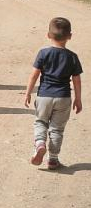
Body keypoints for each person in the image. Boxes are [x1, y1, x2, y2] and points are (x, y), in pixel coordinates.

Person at [23, 17, 83, 170]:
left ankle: (40, 143)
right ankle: (53, 159)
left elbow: (34, 75)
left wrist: (28, 93)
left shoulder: (43, 53)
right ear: (70, 36)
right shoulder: (72, 57)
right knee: (57, 129)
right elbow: (76, 80)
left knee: (41, 122)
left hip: (44, 96)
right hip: (63, 97)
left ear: (48, 35)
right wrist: (78, 99)